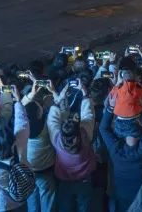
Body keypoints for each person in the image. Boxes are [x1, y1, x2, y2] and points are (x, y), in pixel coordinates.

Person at [99, 105, 142, 212]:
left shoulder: (116, 150)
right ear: (139, 127)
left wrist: (110, 107)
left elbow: (103, 129)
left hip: (123, 199)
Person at [48, 84, 97, 212]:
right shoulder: (84, 135)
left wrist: (58, 100)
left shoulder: (57, 140)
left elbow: (52, 121)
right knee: (84, 207)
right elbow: (88, 115)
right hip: (84, 180)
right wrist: (85, 94)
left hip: (64, 180)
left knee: (65, 207)